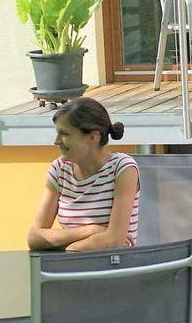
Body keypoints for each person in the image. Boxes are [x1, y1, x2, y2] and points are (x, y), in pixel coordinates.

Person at [29, 97, 138, 252]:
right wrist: (91, 230)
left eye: (64, 133)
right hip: (72, 265)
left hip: (113, 265)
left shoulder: (122, 168)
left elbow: (113, 241)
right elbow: (35, 238)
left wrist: (65, 248)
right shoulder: (59, 169)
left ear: (93, 137)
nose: (56, 141)